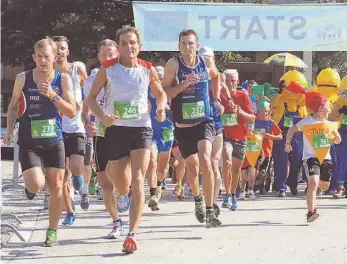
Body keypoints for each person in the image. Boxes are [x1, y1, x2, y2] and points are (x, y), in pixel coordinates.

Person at [86, 25, 167, 253]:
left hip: (141, 128)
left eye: (133, 42)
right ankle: (124, 195)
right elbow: (91, 99)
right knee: (121, 186)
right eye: (124, 43)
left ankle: (132, 233)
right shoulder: (108, 69)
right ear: (119, 47)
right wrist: (102, 116)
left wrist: (161, 107)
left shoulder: (147, 68)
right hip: (115, 130)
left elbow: (160, 94)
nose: (129, 47)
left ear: (139, 46)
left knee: (139, 176)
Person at [3, 38, 76, 246]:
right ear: (34, 57)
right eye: (40, 57)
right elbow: (12, 107)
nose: (43, 61)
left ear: (55, 57)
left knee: (57, 187)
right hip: (29, 141)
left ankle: (52, 231)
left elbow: (71, 111)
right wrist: (9, 132)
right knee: (37, 184)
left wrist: (53, 96)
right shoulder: (22, 78)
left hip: (55, 140)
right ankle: (31, 188)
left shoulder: (63, 80)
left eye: (47, 56)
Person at [162, 29, 223, 228]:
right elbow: (165, 93)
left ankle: (209, 209)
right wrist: (184, 84)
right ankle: (197, 198)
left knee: (206, 159)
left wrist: (217, 97)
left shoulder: (206, 62)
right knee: (192, 167)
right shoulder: (173, 65)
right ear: (179, 46)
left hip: (204, 120)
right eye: (184, 43)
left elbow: (216, 77)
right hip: (183, 124)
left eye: (191, 43)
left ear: (197, 45)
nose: (187, 47)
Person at [83, 39, 127, 238]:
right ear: (99, 57)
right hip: (101, 134)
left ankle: (126, 193)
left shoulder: (125, 75)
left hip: (123, 132)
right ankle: (116, 222)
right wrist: (88, 123)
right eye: (104, 55)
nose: (108, 58)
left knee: (120, 177)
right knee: (105, 182)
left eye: (112, 55)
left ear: (117, 54)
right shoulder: (91, 81)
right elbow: (86, 108)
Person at [285, 92, 341, 222]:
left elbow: (338, 139)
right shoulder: (307, 122)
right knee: (313, 182)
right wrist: (287, 143)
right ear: (321, 108)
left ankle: (309, 179)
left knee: (324, 186)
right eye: (328, 105)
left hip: (326, 158)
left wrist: (336, 138)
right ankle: (311, 211)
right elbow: (292, 130)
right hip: (310, 158)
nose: (330, 109)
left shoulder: (329, 124)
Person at [52, 36, 88, 225]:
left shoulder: (77, 68)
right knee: (60, 176)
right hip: (56, 128)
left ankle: (79, 175)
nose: (59, 52)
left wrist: (83, 104)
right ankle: (69, 211)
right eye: (56, 48)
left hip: (75, 125)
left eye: (63, 48)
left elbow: (89, 89)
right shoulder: (47, 73)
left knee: (75, 166)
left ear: (68, 51)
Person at [221, 69, 255, 210]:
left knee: (236, 170)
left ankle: (233, 194)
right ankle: (227, 193)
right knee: (227, 161)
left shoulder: (243, 96)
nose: (230, 84)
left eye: (233, 81)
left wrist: (239, 111)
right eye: (227, 81)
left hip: (241, 137)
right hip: (225, 136)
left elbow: (252, 117)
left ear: (238, 81)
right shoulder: (218, 95)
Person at [146, 65, 174, 210]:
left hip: (167, 131)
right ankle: (152, 193)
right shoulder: (145, 92)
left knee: (162, 166)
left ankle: (159, 186)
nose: (161, 82)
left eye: (163, 79)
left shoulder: (169, 92)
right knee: (151, 158)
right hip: (150, 131)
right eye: (158, 79)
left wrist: (168, 110)